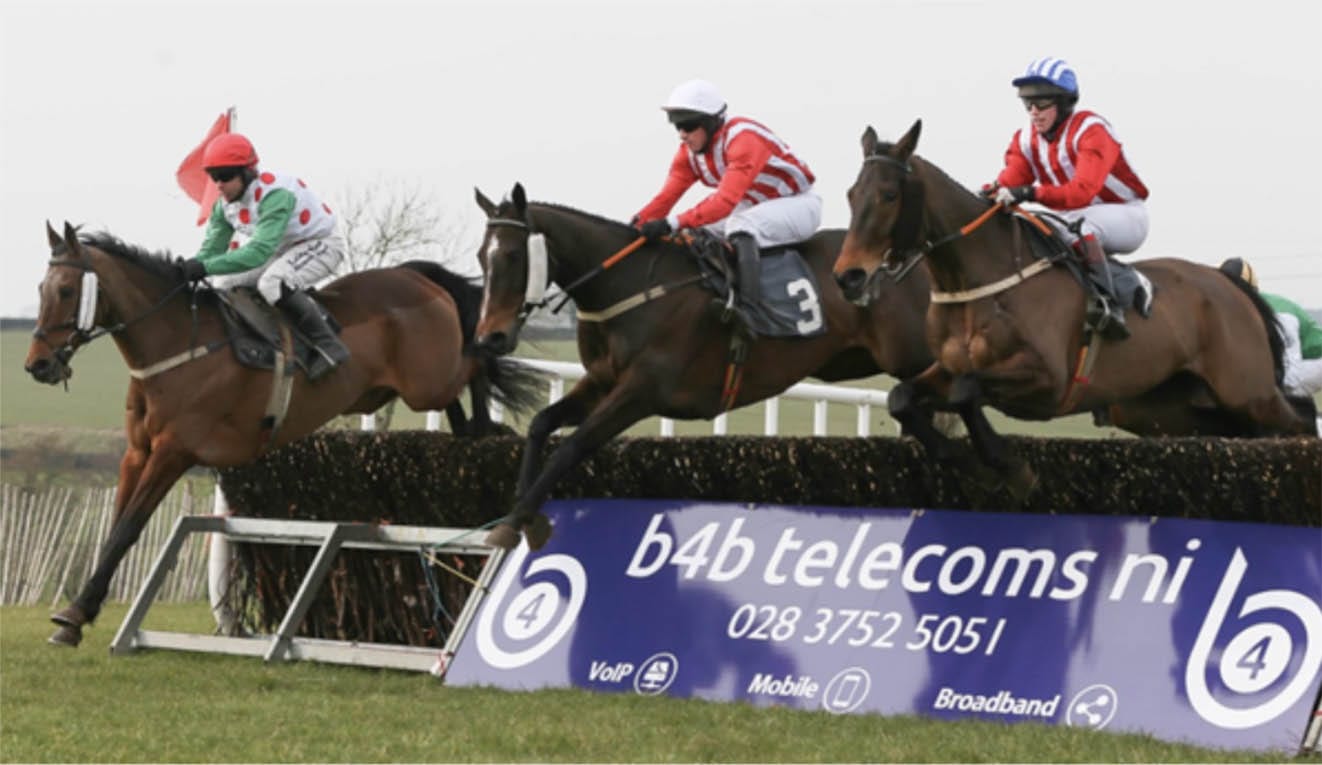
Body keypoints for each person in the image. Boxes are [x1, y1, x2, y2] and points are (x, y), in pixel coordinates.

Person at [632, 79, 821, 337]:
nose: (682, 134)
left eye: (688, 125)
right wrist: (636, 225)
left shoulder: (743, 140)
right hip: (756, 205)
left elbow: (724, 202)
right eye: (677, 125)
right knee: (699, 232)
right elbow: (666, 198)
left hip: (798, 205)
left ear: (711, 122)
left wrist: (671, 223)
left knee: (738, 225)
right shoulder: (688, 153)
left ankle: (751, 310)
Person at [983, 57, 1152, 340]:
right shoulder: (1026, 139)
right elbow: (1012, 177)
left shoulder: (1091, 131)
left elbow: (1081, 192)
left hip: (1125, 214)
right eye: (1028, 104)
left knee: (1074, 226)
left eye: (1042, 103)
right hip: (1075, 214)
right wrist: (986, 195)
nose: (1034, 112)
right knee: (1033, 230)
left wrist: (1030, 193)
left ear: (1063, 103)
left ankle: (1109, 302)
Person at [180, 133, 349, 381]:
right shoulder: (223, 206)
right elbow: (211, 253)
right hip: (282, 250)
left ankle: (328, 344)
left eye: (225, 176)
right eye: (213, 177)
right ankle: (259, 342)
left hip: (321, 244)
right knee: (224, 283)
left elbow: (257, 252)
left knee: (272, 282)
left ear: (247, 172)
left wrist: (204, 266)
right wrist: (187, 270)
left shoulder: (276, 195)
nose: (218, 185)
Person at [1223, 258, 1322, 397]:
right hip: (1293, 363)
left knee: (1284, 386)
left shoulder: (1282, 316)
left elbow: (1289, 378)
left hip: (1312, 358)